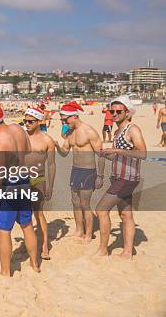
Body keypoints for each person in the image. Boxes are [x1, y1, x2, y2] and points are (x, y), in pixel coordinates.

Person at [0, 98, 40, 276]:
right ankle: (35, 264)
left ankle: (5, 271)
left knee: (4, 231)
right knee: (27, 225)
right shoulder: (18, 129)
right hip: (24, 181)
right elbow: (27, 150)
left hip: (9, 186)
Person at [96, 96, 146, 259]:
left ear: (127, 112)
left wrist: (116, 151)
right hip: (119, 177)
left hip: (127, 178)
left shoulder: (132, 129)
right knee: (126, 215)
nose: (114, 114)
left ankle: (103, 250)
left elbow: (142, 153)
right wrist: (107, 154)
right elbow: (121, 157)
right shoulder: (117, 131)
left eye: (118, 111)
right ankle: (128, 252)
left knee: (101, 210)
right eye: (112, 111)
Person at [54, 101, 104, 244]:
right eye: (62, 120)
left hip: (88, 171)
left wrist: (100, 176)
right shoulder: (69, 133)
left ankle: (88, 234)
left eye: (65, 119)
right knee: (75, 202)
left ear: (75, 116)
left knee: (85, 203)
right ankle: (79, 230)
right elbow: (64, 153)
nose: (63, 122)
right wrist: (57, 146)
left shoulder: (89, 131)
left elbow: (101, 155)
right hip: (75, 170)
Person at [24, 107, 56, 260]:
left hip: (38, 180)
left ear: (38, 122)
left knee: (38, 213)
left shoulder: (46, 140)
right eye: (25, 121)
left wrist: (50, 185)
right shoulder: (21, 137)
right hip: (22, 180)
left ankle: (44, 245)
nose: (27, 124)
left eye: (30, 121)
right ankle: (30, 243)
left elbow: (51, 165)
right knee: (24, 214)